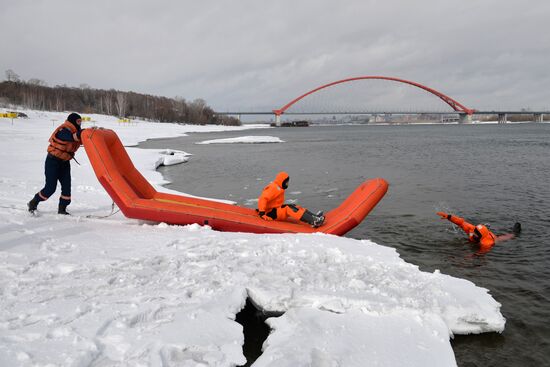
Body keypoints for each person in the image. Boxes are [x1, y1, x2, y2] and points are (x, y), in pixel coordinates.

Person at [27, 113, 85, 215]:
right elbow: (69, 137)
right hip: (53, 162)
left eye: (81, 121)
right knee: (50, 188)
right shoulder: (63, 129)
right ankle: (34, 202)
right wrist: (81, 133)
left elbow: (81, 138)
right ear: (72, 121)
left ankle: (62, 209)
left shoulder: (76, 131)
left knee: (67, 187)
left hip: (65, 163)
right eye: (78, 121)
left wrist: (91, 132)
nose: (80, 123)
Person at [257, 171, 325, 227]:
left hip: (275, 209)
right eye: (286, 182)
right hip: (270, 213)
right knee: (289, 209)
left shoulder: (279, 187)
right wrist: (262, 213)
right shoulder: (273, 188)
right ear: (282, 181)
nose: (287, 184)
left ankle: (314, 217)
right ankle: (314, 221)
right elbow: (262, 198)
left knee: (295, 206)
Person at [436, 212, 521, 251]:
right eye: (475, 231)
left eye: (476, 234)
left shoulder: (486, 244)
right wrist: (449, 217)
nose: (473, 234)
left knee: (509, 236)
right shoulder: (472, 229)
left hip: (494, 239)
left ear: (481, 237)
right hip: (486, 235)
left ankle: (515, 232)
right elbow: (461, 222)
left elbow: (479, 255)